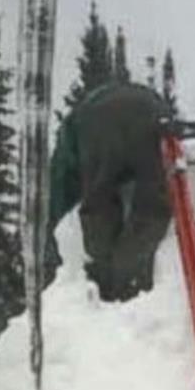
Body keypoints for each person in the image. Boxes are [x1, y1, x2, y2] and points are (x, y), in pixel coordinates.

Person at [48, 81, 171, 301]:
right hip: (154, 111)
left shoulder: (71, 134)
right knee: (152, 208)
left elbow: (58, 187)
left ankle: (110, 288)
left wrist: (48, 226)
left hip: (98, 120)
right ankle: (134, 279)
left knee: (99, 206)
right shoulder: (78, 119)